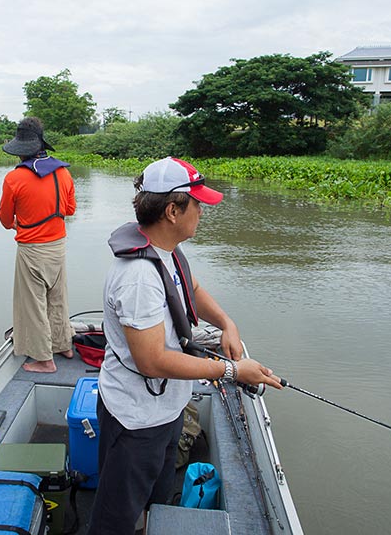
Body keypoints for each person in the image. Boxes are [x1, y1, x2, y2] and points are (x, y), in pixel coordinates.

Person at [86, 157, 283, 535]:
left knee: (156, 495)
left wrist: (227, 323)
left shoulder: (165, 250)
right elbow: (152, 360)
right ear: (173, 210)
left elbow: (190, 288)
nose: (202, 212)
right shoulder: (139, 278)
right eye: (197, 204)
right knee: (115, 516)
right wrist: (231, 371)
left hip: (167, 407)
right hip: (136, 417)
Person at [0, 117, 77, 373]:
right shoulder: (63, 172)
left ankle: (44, 359)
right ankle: (64, 344)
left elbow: (4, 219)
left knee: (33, 304)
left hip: (32, 250)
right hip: (59, 246)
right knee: (58, 298)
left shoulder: (14, 179)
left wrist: (18, 223)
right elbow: (70, 209)